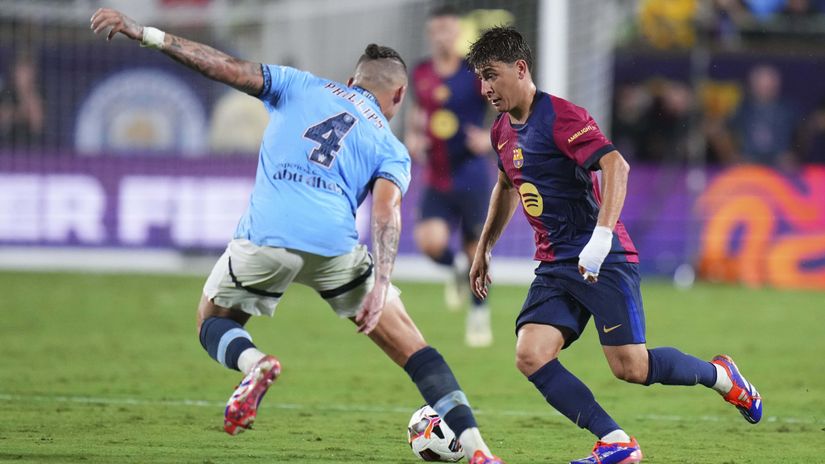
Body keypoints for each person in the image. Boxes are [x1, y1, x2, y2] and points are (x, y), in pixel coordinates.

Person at [90, 8, 504, 464]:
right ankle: (479, 450)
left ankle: (254, 364)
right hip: (336, 246)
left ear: (350, 79)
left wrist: (146, 34)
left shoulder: (298, 83)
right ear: (400, 95)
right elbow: (387, 213)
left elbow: (224, 66)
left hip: (268, 235)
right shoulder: (391, 146)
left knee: (212, 319)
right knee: (416, 351)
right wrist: (381, 282)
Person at [466, 27, 762, 464]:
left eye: (492, 75)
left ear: (521, 68)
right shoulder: (501, 132)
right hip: (554, 264)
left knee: (631, 368)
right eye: (481, 78)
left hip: (600, 259)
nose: (487, 87)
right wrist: (483, 247)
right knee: (530, 354)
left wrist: (600, 239)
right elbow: (507, 185)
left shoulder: (562, 116)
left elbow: (615, 165)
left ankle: (723, 377)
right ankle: (615, 441)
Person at [405, 6, 494, 347]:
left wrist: (488, 136)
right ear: (431, 33)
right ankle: (455, 269)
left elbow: (508, 106)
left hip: (471, 172)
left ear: (457, 31)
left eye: (448, 29)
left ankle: (478, 314)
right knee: (430, 243)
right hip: (437, 174)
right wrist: (413, 136)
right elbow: (418, 111)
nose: (442, 35)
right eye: (436, 30)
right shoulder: (422, 71)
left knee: (477, 250)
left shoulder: (475, 71)